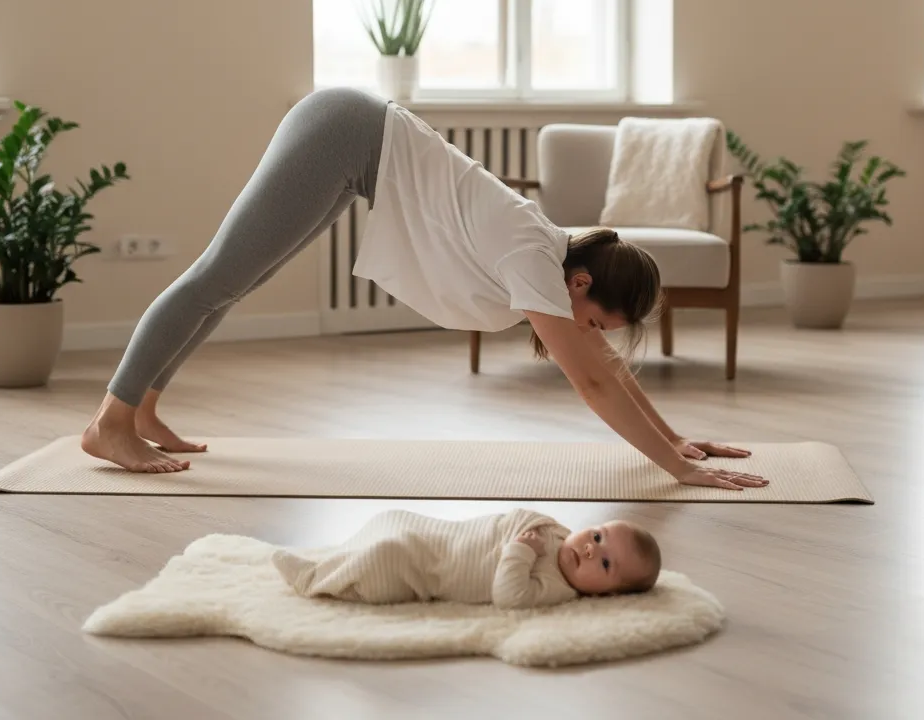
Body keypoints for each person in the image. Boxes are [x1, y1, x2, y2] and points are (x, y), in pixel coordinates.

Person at [81, 87, 768, 494]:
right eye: (593, 321)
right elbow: (591, 383)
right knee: (217, 275)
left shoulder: (555, 258)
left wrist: (678, 442)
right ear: (581, 284)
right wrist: (677, 475)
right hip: (345, 132)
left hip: (357, 152)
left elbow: (604, 368)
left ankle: (144, 412)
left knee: (240, 280)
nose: (588, 336)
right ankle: (111, 422)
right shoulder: (534, 258)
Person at [272, 508, 661, 608]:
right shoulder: (558, 532)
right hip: (445, 538)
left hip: (433, 572)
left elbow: (510, 595)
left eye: (605, 564)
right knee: (392, 520)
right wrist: (524, 532)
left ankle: (316, 580)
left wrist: (519, 552)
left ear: (605, 595)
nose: (591, 548)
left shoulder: (556, 589)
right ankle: (339, 556)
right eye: (597, 535)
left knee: (386, 556)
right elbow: (517, 517)